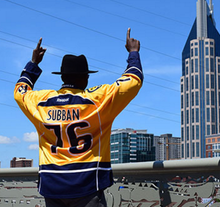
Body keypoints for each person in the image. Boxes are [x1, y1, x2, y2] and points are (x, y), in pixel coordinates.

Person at [14, 28, 143, 207]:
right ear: (86, 78)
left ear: (62, 76)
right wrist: (133, 53)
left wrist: (33, 63)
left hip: (52, 186)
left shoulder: (41, 102)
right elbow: (133, 80)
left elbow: (20, 91)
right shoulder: (98, 99)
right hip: (88, 185)